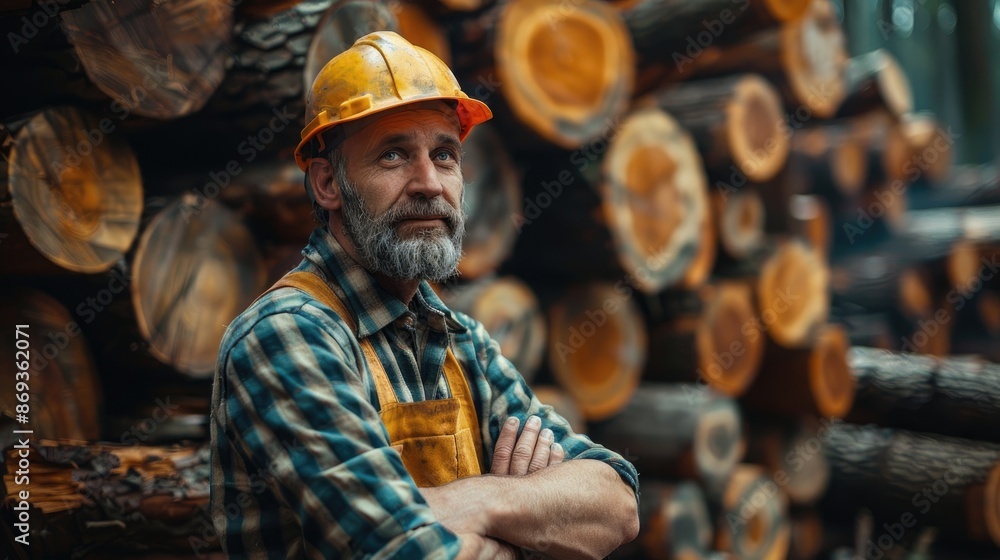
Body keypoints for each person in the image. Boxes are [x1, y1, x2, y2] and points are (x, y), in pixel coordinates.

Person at [209, 31, 639, 559]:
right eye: (393, 155)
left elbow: (618, 504)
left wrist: (481, 502)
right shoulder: (287, 335)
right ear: (327, 184)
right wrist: (529, 531)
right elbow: (402, 549)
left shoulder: (464, 344)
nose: (429, 183)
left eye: (444, 155)